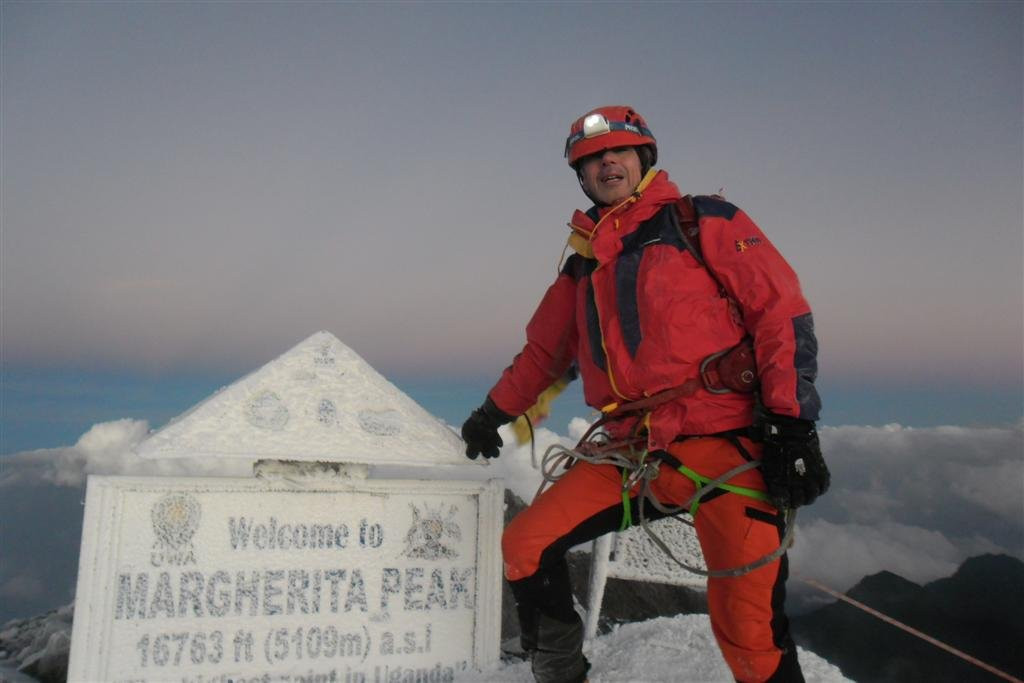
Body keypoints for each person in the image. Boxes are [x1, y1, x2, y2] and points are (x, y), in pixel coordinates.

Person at [461, 106, 829, 683]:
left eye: (619, 151)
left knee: (749, 630)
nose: (607, 162)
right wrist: (492, 415)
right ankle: (560, 674)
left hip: (727, 444)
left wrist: (791, 423)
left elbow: (778, 313)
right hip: (631, 452)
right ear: (581, 178)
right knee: (526, 545)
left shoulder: (702, 220)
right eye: (591, 159)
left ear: (643, 159)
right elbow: (543, 355)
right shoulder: (582, 268)